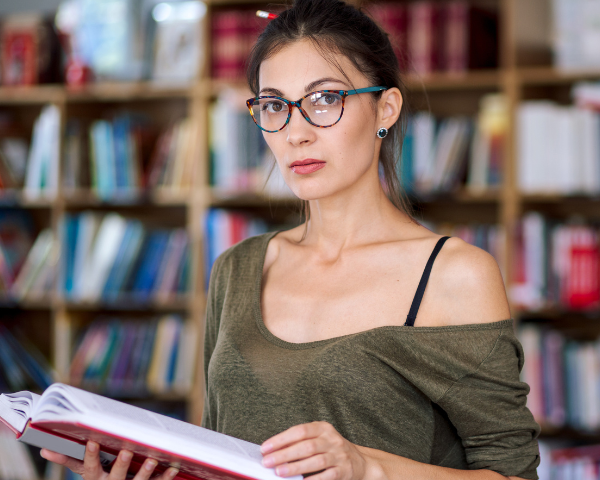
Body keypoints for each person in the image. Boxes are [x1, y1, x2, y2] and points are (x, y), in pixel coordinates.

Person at [41, 0, 541, 479]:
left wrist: (369, 468)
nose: (295, 133)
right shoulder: (238, 268)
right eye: (275, 105)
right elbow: (219, 455)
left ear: (386, 109)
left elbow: (512, 475)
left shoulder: (454, 273)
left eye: (325, 99)